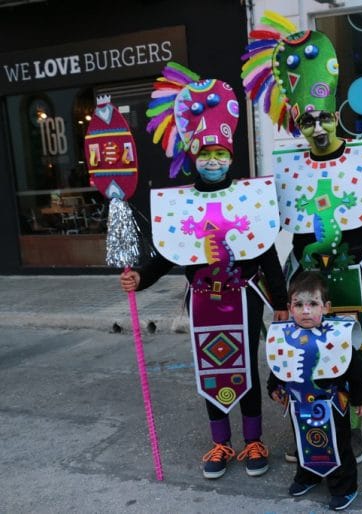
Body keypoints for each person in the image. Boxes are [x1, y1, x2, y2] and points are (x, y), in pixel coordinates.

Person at [242, 10, 362, 465]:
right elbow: (271, 224)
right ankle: (310, 431)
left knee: (351, 355)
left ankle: (350, 431)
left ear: (335, 116)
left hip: (356, 274)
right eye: (308, 122)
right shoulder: (289, 166)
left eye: (323, 119)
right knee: (303, 354)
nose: (317, 128)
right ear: (299, 125)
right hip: (305, 280)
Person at [121, 63, 288, 479]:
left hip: (244, 297)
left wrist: (281, 304)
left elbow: (266, 252)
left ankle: (253, 439)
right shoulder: (180, 204)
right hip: (203, 300)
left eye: (219, 154)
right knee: (212, 368)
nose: (213, 161)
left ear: (229, 156)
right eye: (205, 154)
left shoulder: (249, 197)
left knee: (246, 366)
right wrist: (142, 277)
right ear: (194, 157)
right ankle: (221, 443)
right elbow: (167, 252)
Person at [266, 271, 362, 511]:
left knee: (339, 446)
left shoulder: (338, 337)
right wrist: (274, 386)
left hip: (332, 405)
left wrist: (360, 397)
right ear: (290, 308)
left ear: (326, 307)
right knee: (304, 442)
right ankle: (308, 475)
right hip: (298, 404)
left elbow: (356, 370)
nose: (305, 310)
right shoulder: (284, 337)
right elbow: (279, 363)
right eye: (298, 304)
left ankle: (344, 486)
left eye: (313, 304)